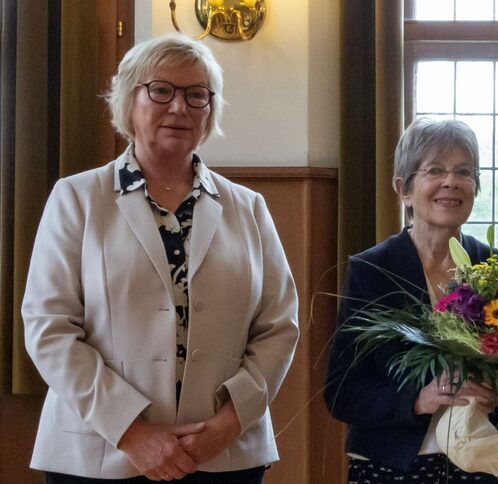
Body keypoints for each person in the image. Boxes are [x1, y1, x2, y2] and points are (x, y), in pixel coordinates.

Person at [21, 33, 300, 483]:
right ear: (129, 100)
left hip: (223, 453)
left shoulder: (248, 207)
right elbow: (49, 328)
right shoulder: (76, 198)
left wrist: (229, 423)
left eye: (197, 95)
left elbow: (279, 327)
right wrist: (131, 433)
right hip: (99, 454)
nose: (179, 108)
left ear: (211, 110)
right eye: (161, 90)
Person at [325, 117, 498, 484]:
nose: (451, 182)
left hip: (479, 462)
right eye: (435, 170)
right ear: (404, 189)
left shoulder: (494, 268)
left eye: (464, 171)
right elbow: (342, 392)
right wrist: (417, 399)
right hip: (391, 466)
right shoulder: (372, 270)